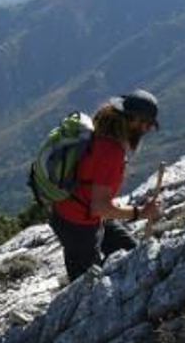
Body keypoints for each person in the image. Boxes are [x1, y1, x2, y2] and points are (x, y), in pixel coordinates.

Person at [49, 90, 163, 281]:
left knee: (132, 254)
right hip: (77, 223)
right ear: (134, 120)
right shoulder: (111, 152)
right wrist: (141, 213)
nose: (148, 129)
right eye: (148, 124)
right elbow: (100, 207)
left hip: (71, 210)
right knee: (89, 284)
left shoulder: (99, 131)